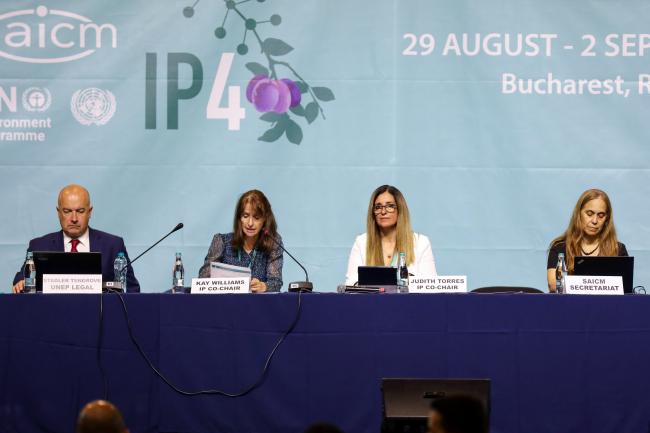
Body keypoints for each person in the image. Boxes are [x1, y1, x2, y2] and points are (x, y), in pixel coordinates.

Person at [12, 184, 140, 293]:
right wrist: (21, 282)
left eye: (80, 211)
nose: (74, 218)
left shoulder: (113, 245)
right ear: (58, 212)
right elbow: (21, 278)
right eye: (67, 211)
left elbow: (132, 290)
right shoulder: (39, 246)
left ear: (89, 212)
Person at [345, 185, 436, 286]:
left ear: (400, 210)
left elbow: (430, 285)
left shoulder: (421, 242)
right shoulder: (361, 242)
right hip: (371, 301)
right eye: (378, 207)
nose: (383, 212)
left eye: (390, 206)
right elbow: (350, 285)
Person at [199, 189, 283, 292]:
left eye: (256, 217)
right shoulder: (221, 241)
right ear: (239, 218)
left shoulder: (273, 242)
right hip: (226, 304)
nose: (250, 223)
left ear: (264, 219)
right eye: (245, 216)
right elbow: (203, 278)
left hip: (257, 305)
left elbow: (276, 282)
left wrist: (264, 286)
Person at [546, 188, 628, 292]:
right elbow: (553, 285)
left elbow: (625, 288)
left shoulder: (618, 249)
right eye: (589, 214)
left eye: (601, 215)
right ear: (578, 214)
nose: (594, 221)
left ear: (607, 219)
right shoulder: (560, 248)